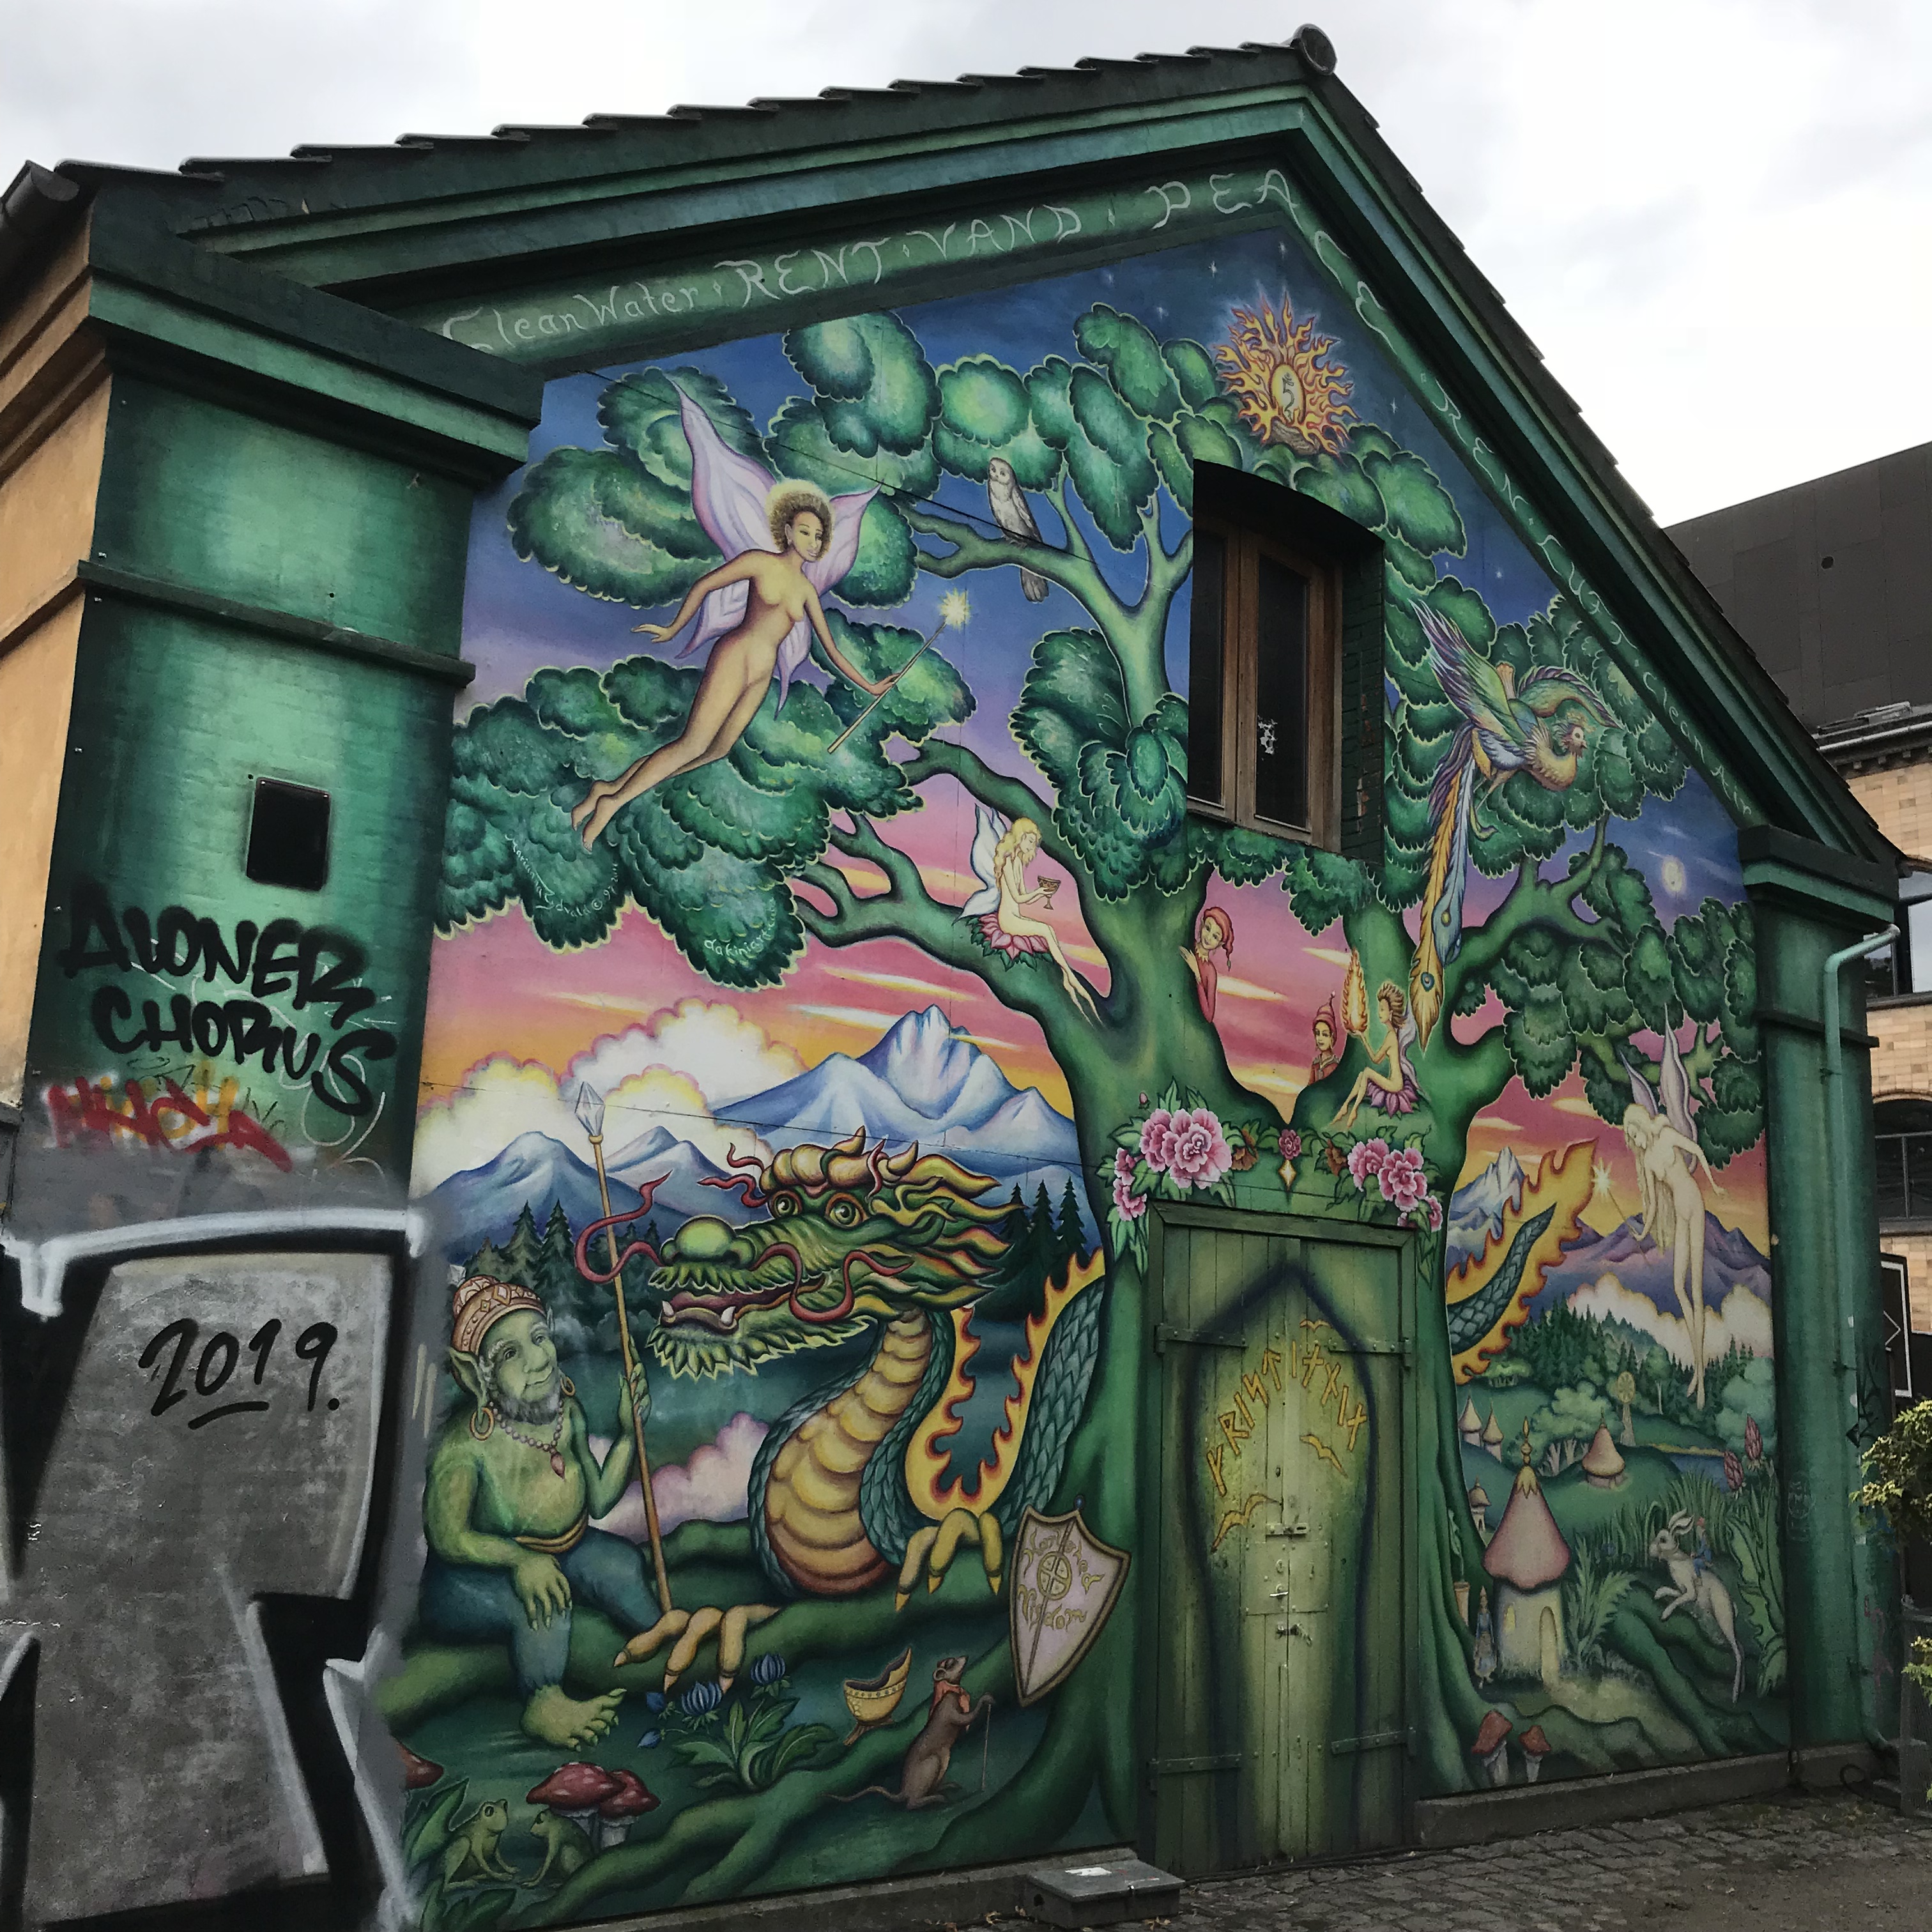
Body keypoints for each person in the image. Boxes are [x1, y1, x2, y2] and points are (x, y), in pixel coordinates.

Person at [572, 480, 888, 847]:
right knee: (692, 744)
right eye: (805, 532)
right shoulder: (760, 562)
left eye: (819, 536)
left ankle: (610, 788)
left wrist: (870, 686)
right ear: (788, 532)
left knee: (717, 750)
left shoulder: (806, 591)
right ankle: (613, 803)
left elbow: (831, 649)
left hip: (761, 673)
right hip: (736, 656)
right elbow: (705, 585)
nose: (813, 542)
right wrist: (674, 627)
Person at [420, 1274, 659, 1748]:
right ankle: (543, 1700)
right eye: (510, 1353)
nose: (539, 1360)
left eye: (539, 1338)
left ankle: (660, 1636)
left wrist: (628, 1435)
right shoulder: (465, 1447)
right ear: (477, 1376)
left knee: (621, 1564)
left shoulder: (567, 1414)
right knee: (542, 1601)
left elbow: (599, 1500)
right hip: (472, 1576)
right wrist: (520, 1561)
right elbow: (448, 1537)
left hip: (566, 1547)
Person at [960, 807, 1100, 1020]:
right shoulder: (1008, 863)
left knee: (1048, 931)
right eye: (1030, 840)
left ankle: (1067, 976)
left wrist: (1041, 894)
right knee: (1046, 930)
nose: (1032, 846)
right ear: (1020, 837)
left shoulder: (1017, 863)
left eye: (1034, 842)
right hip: (1007, 920)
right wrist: (1040, 892)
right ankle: (1069, 975)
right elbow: (1017, 898)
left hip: (1017, 917)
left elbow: (1025, 895)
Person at [1330, 981, 1419, 1130]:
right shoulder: (1392, 1034)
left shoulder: (1391, 1037)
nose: (1379, 1013)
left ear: (1391, 1013)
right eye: (1379, 1009)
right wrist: (1363, 1037)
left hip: (1395, 1084)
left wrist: (1364, 1039)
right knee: (1361, 1075)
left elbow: (1375, 1059)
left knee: (1366, 1073)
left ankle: (1353, 1111)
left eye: (1383, 1009)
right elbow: (1377, 1058)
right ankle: (1345, 1107)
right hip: (1393, 1081)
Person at [1181, 905, 1235, 1024]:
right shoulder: (1187, 941)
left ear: (1220, 944)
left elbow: (1209, 1015)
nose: (1209, 937)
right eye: (1208, 928)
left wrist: (1197, 974)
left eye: (1215, 937)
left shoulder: (1210, 971)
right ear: (1202, 924)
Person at [1310, 995, 1342, 1084]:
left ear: (1332, 1037)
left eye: (1325, 1035)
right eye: (1318, 1033)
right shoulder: (1316, 1064)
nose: (1320, 1038)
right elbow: (1310, 1088)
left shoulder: (1335, 1066)